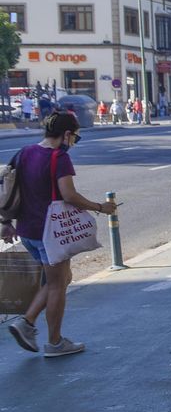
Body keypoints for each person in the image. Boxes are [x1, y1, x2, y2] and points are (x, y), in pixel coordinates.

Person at [2, 112, 118, 358]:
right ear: (66, 134)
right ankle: (47, 338)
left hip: (27, 232)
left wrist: (5, 222)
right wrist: (100, 207)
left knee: (59, 279)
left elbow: (7, 187)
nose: (74, 142)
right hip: (51, 234)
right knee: (57, 285)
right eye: (74, 137)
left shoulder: (24, 152)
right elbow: (69, 195)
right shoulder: (59, 157)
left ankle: (30, 325)